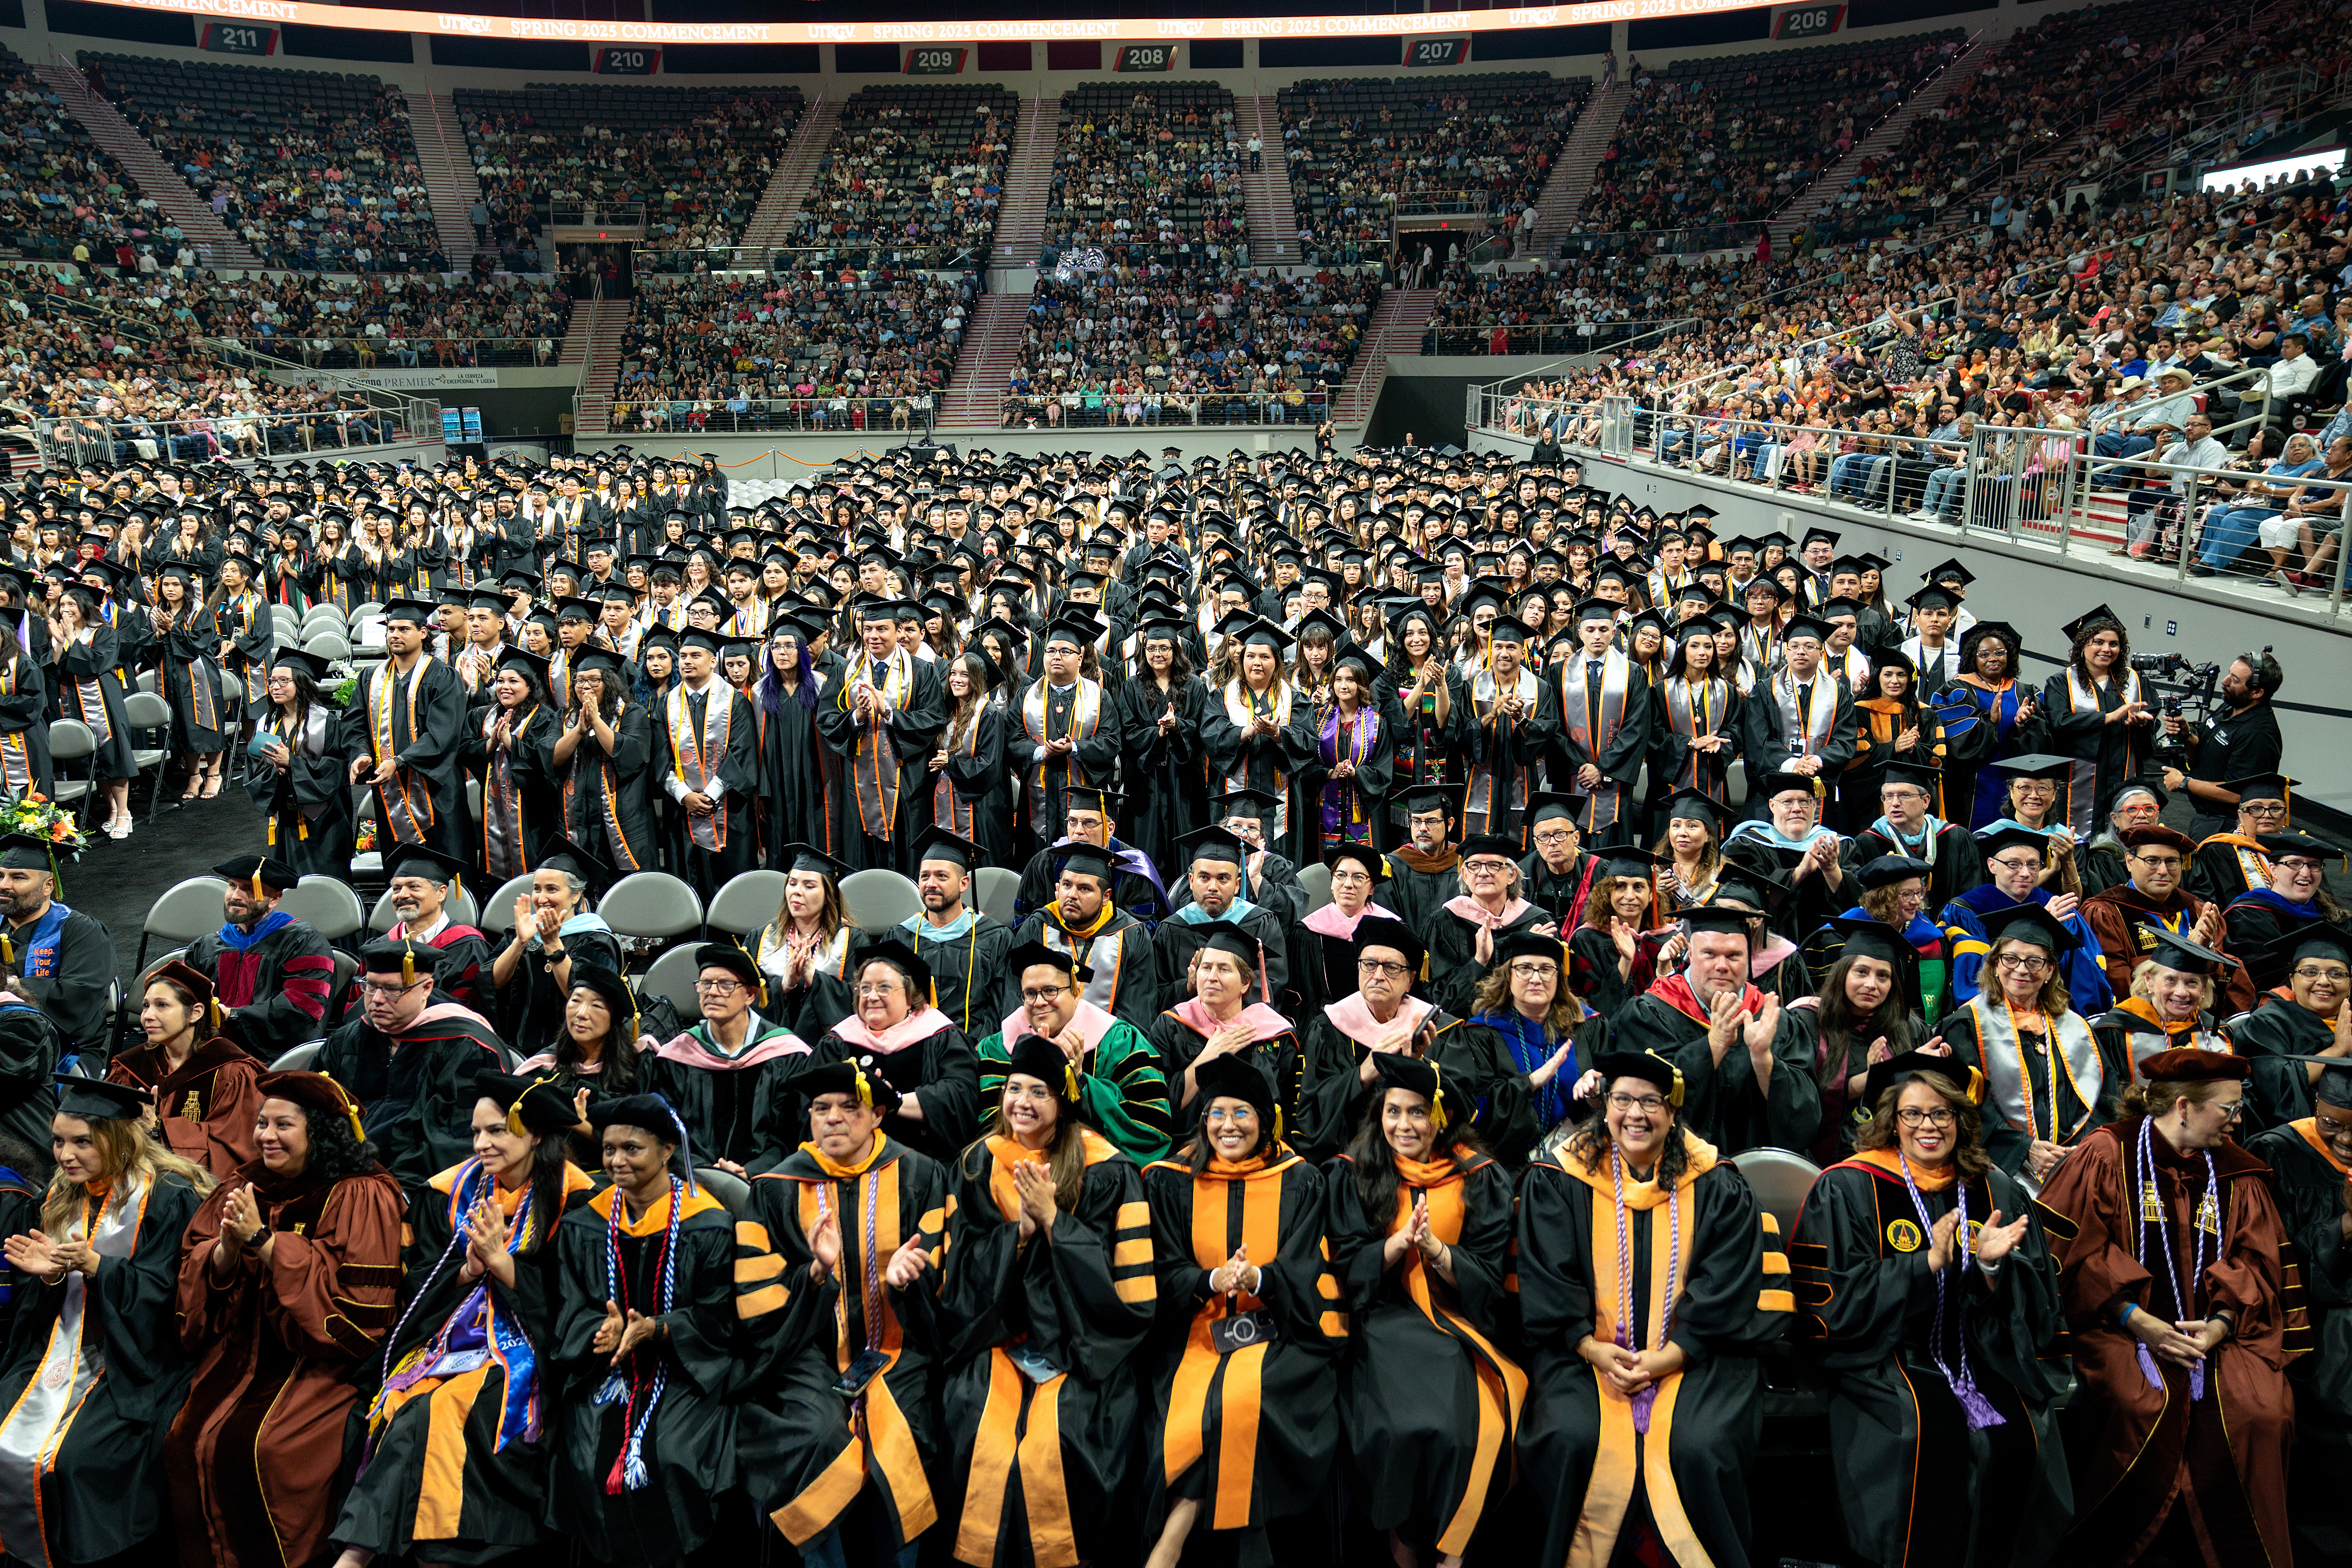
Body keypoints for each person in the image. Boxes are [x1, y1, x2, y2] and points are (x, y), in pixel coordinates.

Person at [1790, 1052, 2072, 1568]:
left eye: (1942, 1113)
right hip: (1888, 1357)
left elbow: (2036, 1303)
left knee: (2017, 1439)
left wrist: (1989, 1270)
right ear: (1891, 1119)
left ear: (1962, 1120)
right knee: (1923, 1432)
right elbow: (1836, 1299)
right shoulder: (1848, 1186)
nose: (1928, 1126)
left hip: (1983, 1350)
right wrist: (1925, 1265)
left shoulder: (1995, 1187)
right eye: (1913, 1113)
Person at [1517, 1050, 1789, 1568]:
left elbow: (1727, 1281)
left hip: (1699, 1356)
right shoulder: (1561, 1177)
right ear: (1606, 1104)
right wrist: (1590, 1346)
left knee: (1698, 1445)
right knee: (1570, 1437)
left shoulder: (1715, 1181)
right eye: (1623, 1099)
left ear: (1673, 1109)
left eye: (1651, 1102)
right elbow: (1547, 1274)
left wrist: (1674, 1355)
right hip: (1584, 1358)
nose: (1635, 1114)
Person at [2034, 1049, 2300, 1568]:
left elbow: (2258, 1263)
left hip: (2218, 1335)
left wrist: (2221, 1325)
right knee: (2139, 1402)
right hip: (2117, 1325)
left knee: (2262, 1411)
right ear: (2184, 1106)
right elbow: (2069, 1253)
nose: (2238, 1119)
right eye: (2228, 1108)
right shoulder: (2107, 1153)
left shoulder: (2236, 1173)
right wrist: (2138, 1319)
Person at [330, 1071, 596, 1568]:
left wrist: (505, 1266)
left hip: (526, 1347)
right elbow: (418, 1285)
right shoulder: (453, 1191)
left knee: (441, 1408)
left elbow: (577, 1298)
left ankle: (364, 1554)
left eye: (497, 1131)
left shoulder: (575, 1199)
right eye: (476, 1132)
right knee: (399, 1403)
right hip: (450, 1336)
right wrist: (467, 1269)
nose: (481, 1143)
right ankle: (384, 1554)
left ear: (535, 1134)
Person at [166, 1071, 404, 1568]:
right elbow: (196, 1264)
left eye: (283, 1124)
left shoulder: (361, 1192)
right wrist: (227, 1249)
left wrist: (268, 1243)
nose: (266, 1135)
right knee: (186, 1439)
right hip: (238, 1354)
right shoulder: (244, 1185)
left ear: (319, 1130)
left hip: (318, 1365)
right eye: (261, 1122)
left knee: (267, 1450)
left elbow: (358, 1310)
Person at [937, 1034, 1156, 1568]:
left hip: (1081, 1349)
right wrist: (1021, 1235)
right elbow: (956, 1273)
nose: (1023, 1103)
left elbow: (1125, 1295)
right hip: (993, 1339)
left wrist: (1056, 1222)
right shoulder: (976, 1164)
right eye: (1015, 1090)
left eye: (1039, 1092)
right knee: (971, 1421)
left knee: (1067, 1439)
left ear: (1063, 1102)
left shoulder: (1107, 1171)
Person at [733, 1056, 945, 1568]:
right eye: (821, 1108)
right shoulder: (775, 1189)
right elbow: (758, 1311)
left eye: (849, 1108)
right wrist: (814, 1275)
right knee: (817, 1437)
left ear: (877, 1116)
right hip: (805, 1356)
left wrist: (909, 1283)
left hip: (900, 1347)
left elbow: (946, 1278)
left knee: (905, 1435)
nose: (833, 1118)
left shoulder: (921, 1173)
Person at [0, 1075, 211, 1568]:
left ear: (117, 1139)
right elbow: (48, 1306)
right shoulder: (61, 1196)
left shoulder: (171, 1198)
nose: (64, 1154)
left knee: (74, 1461)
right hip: (55, 1353)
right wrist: (50, 1277)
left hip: (133, 1363)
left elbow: (176, 1300)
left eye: (81, 1142)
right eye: (57, 1140)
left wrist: (99, 1267)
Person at [1137, 1053, 1338, 1568]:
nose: (1228, 1125)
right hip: (1192, 1334)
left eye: (1242, 1113)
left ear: (1265, 1119)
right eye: (1217, 1113)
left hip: (1279, 1333)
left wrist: (1259, 1279)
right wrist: (1211, 1280)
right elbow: (1160, 1269)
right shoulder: (1171, 1178)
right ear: (1203, 1120)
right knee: (1199, 1410)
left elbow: (1310, 1273)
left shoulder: (1300, 1180)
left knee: (1241, 1401)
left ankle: (1173, 1542)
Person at [1323, 1052, 1522, 1567]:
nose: (1404, 1125)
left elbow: (1491, 1276)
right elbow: (1345, 1266)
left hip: (1457, 1328)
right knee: (1395, 1431)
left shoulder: (1480, 1177)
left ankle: (1452, 1553)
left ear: (1442, 1116)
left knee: (1463, 1429)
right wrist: (1396, 1247)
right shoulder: (1355, 1172)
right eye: (1393, 1112)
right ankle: (1405, 1554)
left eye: (1417, 1112)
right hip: (1381, 1323)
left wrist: (1437, 1251)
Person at [547, 1094, 738, 1568]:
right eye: (609, 1149)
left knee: (672, 1456)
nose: (616, 1160)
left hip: (685, 1371)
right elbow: (570, 1306)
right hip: (607, 1371)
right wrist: (600, 1330)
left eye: (632, 1148)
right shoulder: (584, 1223)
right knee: (584, 1456)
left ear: (667, 1151)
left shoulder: (709, 1224)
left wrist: (658, 1328)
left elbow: (721, 1316)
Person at [2242, 1064, 2352, 1561]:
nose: (2344, 1139)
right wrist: (2345, 1225)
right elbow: (2272, 1256)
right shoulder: (2278, 1152)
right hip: (2319, 1322)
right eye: (2331, 1124)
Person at [1612, 904, 1820, 1157]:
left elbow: (1805, 1121)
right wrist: (1713, 1046)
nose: (1722, 965)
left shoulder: (1772, 1019)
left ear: (1749, 959)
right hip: (1677, 1168)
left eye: (1734, 956)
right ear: (1690, 953)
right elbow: (1646, 1105)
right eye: (1709, 954)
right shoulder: (1649, 1014)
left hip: (1759, 1173)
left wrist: (1763, 1059)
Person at [313, 937, 509, 1189]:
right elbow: (316, 1110)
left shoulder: (464, 1045)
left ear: (426, 988)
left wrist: (391, 1189)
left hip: (416, 1187)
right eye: (371, 987)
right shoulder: (348, 1039)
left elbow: (454, 1139)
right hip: (337, 1175)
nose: (377, 1000)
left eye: (393, 990)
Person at [1941, 903, 2107, 1195]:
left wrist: (2083, 1150)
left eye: (2034, 962)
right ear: (1994, 964)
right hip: (1997, 1171)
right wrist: (2024, 1149)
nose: (2021, 970)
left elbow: (2108, 1095)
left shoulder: (2076, 1028)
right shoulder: (1966, 1026)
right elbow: (1966, 1103)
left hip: (2076, 1168)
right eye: (2010, 959)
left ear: (2050, 970)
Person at [975, 940, 1170, 1164]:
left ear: (1076, 993)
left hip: (1096, 1170)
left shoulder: (1119, 1041)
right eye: (1030, 993)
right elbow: (990, 1124)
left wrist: (1079, 1081)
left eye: (1050, 991)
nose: (1039, 1002)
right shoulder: (998, 1047)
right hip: (1019, 1165)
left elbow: (1151, 1126)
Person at [1297, 916, 1469, 1160]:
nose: (1378, 975)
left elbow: (1461, 1111)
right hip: (1350, 1168)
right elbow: (1311, 1113)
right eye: (1369, 964)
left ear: (1410, 979)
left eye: (1391, 968)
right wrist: (1362, 1076)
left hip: (1421, 1166)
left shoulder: (1439, 1030)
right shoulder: (1328, 1027)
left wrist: (1417, 1069)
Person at [641, 943, 812, 1176]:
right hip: (692, 1180)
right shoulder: (678, 1057)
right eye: (705, 984)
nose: (712, 992)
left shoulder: (786, 1054)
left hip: (769, 1181)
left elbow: (791, 1133)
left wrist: (751, 1172)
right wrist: (705, 1173)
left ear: (751, 995)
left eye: (725, 985)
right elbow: (667, 1132)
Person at [810, 939, 977, 1167]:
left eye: (884, 987)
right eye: (865, 988)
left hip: (923, 1167)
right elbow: (808, 1106)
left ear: (910, 997)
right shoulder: (837, 1042)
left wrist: (893, 1101)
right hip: (845, 1165)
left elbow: (958, 1097)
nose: (872, 996)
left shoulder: (942, 1036)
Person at [816, 598, 947, 872]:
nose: (873, 636)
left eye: (882, 629)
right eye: (868, 629)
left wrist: (888, 713)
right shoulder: (846, 671)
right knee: (861, 851)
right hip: (859, 778)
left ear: (898, 631)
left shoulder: (922, 671)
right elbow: (826, 719)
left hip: (907, 779)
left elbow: (934, 718)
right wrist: (857, 718)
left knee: (906, 847)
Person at [1150, 922, 1304, 1149]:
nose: (1212, 977)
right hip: (1186, 1158)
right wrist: (1207, 1058)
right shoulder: (1170, 1025)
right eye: (1206, 968)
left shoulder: (1276, 1035)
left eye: (1223, 969)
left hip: (1261, 1159)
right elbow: (1155, 1106)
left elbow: (1291, 1111)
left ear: (1245, 984)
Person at [1459, 929, 1607, 1166]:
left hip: (1581, 1162)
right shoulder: (1484, 1033)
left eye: (1547, 970)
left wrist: (1596, 1092)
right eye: (1525, 968)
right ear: (1508, 975)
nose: (1536, 979)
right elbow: (1477, 1108)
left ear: (1559, 978)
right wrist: (1530, 1083)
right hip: (1507, 1167)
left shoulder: (1587, 1026)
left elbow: (1617, 1088)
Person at [110, 959, 264, 1176]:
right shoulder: (130, 1067)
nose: (148, 1016)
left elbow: (232, 1149)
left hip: (198, 1192)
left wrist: (158, 1128)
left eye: (162, 1005)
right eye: (146, 1006)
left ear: (196, 1013)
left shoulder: (232, 1072)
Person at [1946, 823, 2115, 1018]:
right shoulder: (1966, 911)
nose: (2025, 873)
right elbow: (1972, 976)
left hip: (2057, 1015)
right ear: (1992, 865)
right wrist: (2044, 925)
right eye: (2013, 864)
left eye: (2033, 864)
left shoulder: (2059, 908)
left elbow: (2087, 976)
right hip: (1996, 1019)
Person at [178, 854, 336, 1063]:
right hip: (209, 1050)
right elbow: (181, 996)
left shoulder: (304, 942)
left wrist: (233, 1015)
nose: (235, 896)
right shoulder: (205, 947)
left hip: (277, 1057)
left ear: (275, 898)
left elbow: (304, 1008)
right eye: (232, 886)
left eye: (249, 889)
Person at [343, 597, 468, 858]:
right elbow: (355, 724)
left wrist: (400, 762)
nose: (395, 635)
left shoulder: (443, 677)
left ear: (424, 633)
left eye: (404, 629)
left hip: (435, 789)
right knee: (400, 868)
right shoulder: (371, 678)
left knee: (444, 862)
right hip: (390, 789)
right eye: (391, 629)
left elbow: (442, 734)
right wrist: (362, 753)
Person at [2078, 825, 2249, 1013]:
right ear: (2129, 862)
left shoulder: (2198, 911)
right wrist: (2187, 955)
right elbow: (2113, 979)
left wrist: (2208, 955)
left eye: (2172, 861)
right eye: (2152, 861)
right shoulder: (2105, 912)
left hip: (2200, 1022)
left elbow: (2227, 980)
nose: (2163, 871)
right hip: (2139, 1027)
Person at [489, 842, 624, 1064]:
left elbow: (584, 997)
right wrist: (520, 943)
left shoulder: (596, 938)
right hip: (512, 1044)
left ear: (576, 895)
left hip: (572, 1052)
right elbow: (493, 983)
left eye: (552, 889)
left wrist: (553, 945)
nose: (541, 899)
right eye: (537, 889)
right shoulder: (521, 931)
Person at [1200, 620, 1319, 864]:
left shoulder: (1294, 698)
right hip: (1231, 790)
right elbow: (1211, 735)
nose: (1257, 663)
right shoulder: (1221, 696)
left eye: (1265, 657)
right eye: (1251, 656)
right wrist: (1247, 732)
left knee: (1277, 858)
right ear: (1241, 659)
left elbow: (1308, 740)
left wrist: (1278, 734)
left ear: (1276, 661)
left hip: (1281, 795)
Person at [1009, 614, 1122, 860]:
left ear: (1080, 658)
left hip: (1084, 794)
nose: (1056, 657)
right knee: (1039, 863)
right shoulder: (1026, 696)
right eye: (1050, 651)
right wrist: (1041, 752)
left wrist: (1075, 748)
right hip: (1039, 793)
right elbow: (1013, 740)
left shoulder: (1099, 697)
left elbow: (1111, 742)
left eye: (1065, 652)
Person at [1010, 842, 1157, 1028]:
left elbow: (1136, 1012)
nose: (1072, 895)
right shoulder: (1037, 926)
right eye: (1067, 885)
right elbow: (1016, 1000)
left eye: (1084, 889)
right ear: (1057, 889)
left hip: (1107, 1049)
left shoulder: (1131, 935)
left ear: (1106, 897)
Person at [2041, 607, 2156, 839]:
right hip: (2079, 774)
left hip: (2123, 766)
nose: (2106, 649)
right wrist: (2107, 718)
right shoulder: (2061, 682)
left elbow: (2151, 714)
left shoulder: (2134, 681)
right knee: (2078, 835)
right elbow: (2058, 721)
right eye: (2098, 642)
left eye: (2113, 644)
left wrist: (2141, 724)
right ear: (2082, 645)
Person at [1155, 825, 1293, 1013]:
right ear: (1191, 881)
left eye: (1223, 879)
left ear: (1237, 885)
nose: (1213, 887)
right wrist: (1188, 987)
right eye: (1204, 877)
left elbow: (1272, 988)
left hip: (1244, 1032)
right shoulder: (1171, 929)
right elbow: (1154, 994)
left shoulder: (1262, 923)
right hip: (1186, 1034)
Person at [898, 825, 1017, 1038]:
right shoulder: (901, 938)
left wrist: (977, 1046)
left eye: (942, 876)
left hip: (975, 1051)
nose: (931, 884)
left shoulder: (995, 938)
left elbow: (1003, 1005)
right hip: (910, 1047)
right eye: (925, 876)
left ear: (964, 884)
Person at [2231, 925, 2352, 1131]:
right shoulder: (2267, 1023)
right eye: (2310, 972)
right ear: (2292, 981)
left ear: (2350, 985)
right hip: (2293, 1137)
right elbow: (2275, 1089)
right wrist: (2337, 1051)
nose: (2324, 981)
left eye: (2337, 974)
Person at [250, 648, 357, 879]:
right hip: (285, 817)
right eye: (272, 681)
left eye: (283, 681)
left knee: (326, 877)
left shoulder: (324, 721)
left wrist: (293, 764)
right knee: (289, 880)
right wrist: (276, 771)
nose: (276, 686)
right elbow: (255, 768)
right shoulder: (265, 724)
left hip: (324, 818)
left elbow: (338, 768)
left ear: (301, 683)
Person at [0, 832, 112, 1052]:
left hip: (59, 1047)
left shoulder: (82, 931)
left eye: (18, 878)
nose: (4, 885)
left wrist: (11, 988)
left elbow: (80, 995)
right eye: (0, 876)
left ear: (48, 885)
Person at [1551, 599, 1651, 836]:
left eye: (1604, 630)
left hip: (1614, 778)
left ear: (1614, 633)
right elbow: (1553, 726)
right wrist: (1581, 766)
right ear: (1580, 633)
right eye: (1591, 630)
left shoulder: (1632, 673)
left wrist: (1602, 768)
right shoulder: (1559, 672)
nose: (1597, 636)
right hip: (1572, 776)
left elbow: (1636, 728)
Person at [462, 646, 561, 883]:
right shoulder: (481, 716)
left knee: (533, 862)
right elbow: (464, 750)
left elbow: (546, 760)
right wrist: (491, 743)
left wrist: (510, 742)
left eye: (513, 681)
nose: (505, 687)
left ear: (530, 686)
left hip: (534, 809)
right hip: (494, 803)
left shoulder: (546, 717)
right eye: (500, 681)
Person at [2161, 652, 2285, 841]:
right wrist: (2186, 736)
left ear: (2257, 693)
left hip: (2227, 827)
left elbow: (2238, 794)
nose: (2224, 682)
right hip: (2204, 818)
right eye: (2229, 674)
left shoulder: (2259, 735)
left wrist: (2185, 783)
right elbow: (2200, 752)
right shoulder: (2229, 707)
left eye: (2235, 680)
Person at [552, 647, 655, 874]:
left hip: (623, 817)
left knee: (626, 883)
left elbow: (630, 755)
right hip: (578, 814)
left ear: (610, 682)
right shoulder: (565, 718)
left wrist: (596, 721)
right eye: (580, 681)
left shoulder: (632, 714)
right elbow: (553, 758)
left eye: (594, 680)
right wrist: (579, 729)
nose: (586, 686)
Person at [1425, 833, 1552, 1017]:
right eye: (1474, 866)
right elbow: (1439, 1002)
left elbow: (1558, 988)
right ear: (1465, 876)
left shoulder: (1537, 921)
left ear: (1512, 875)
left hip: (1523, 1028)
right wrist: (1478, 963)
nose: (1483, 873)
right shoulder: (1444, 923)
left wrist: (1533, 954)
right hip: (1465, 1032)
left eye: (1494, 865)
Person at [2090, 930, 2237, 1087]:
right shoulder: (2115, 1032)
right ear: (2149, 981)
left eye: (2192, 983)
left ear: (2203, 988)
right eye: (2170, 980)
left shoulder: (2219, 1033)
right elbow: (2107, 1099)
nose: (2181, 993)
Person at [1721, 772, 1849, 942]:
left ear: (1815, 806)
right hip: (1769, 948)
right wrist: (1799, 873)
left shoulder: (1838, 845)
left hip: (1832, 952)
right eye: (1787, 802)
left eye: (1804, 802)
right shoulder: (1746, 846)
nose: (1796, 808)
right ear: (1772, 806)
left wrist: (1832, 870)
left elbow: (1859, 906)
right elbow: (1745, 902)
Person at [752, 842, 860, 1040]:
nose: (797, 891)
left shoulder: (852, 940)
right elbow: (744, 997)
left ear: (829, 895)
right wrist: (785, 984)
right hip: (767, 1041)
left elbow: (858, 999)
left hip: (826, 1043)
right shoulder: (760, 938)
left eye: (809, 886)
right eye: (792, 884)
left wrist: (813, 977)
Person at [1847, 761, 1982, 912]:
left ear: (1925, 801)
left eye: (1904, 795)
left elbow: (1972, 896)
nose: (1895, 803)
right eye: (1889, 796)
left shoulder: (1956, 837)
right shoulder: (1868, 842)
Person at [378, 843, 497, 1014]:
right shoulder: (381, 947)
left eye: (414, 887)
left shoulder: (468, 947)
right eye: (396, 889)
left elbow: (468, 1010)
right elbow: (357, 1009)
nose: (402, 895)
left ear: (441, 893)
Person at [2223, 829, 2348, 990]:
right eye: (2294, 864)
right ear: (2273, 870)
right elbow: (2258, 974)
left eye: (2314, 866)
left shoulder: (2334, 916)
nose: (2305, 873)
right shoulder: (2246, 915)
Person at [2188, 771, 2291, 906]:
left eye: (2276, 808)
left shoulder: (2295, 850)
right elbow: (2226, 905)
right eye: (2256, 808)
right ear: (2241, 815)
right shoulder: (2220, 851)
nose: (2267, 815)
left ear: (2285, 815)